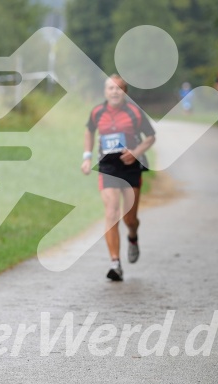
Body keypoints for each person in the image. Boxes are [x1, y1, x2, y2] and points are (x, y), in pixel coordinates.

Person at [81, 75, 155, 281]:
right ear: (105, 92)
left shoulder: (135, 113)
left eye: (118, 88)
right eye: (110, 88)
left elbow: (151, 137)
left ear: (125, 92)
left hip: (131, 167)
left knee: (129, 218)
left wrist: (136, 152)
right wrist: (86, 157)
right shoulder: (97, 112)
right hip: (108, 166)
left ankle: (133, 236)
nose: (114, 92)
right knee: (111, 211)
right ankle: (115, 263)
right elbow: (89, 131)